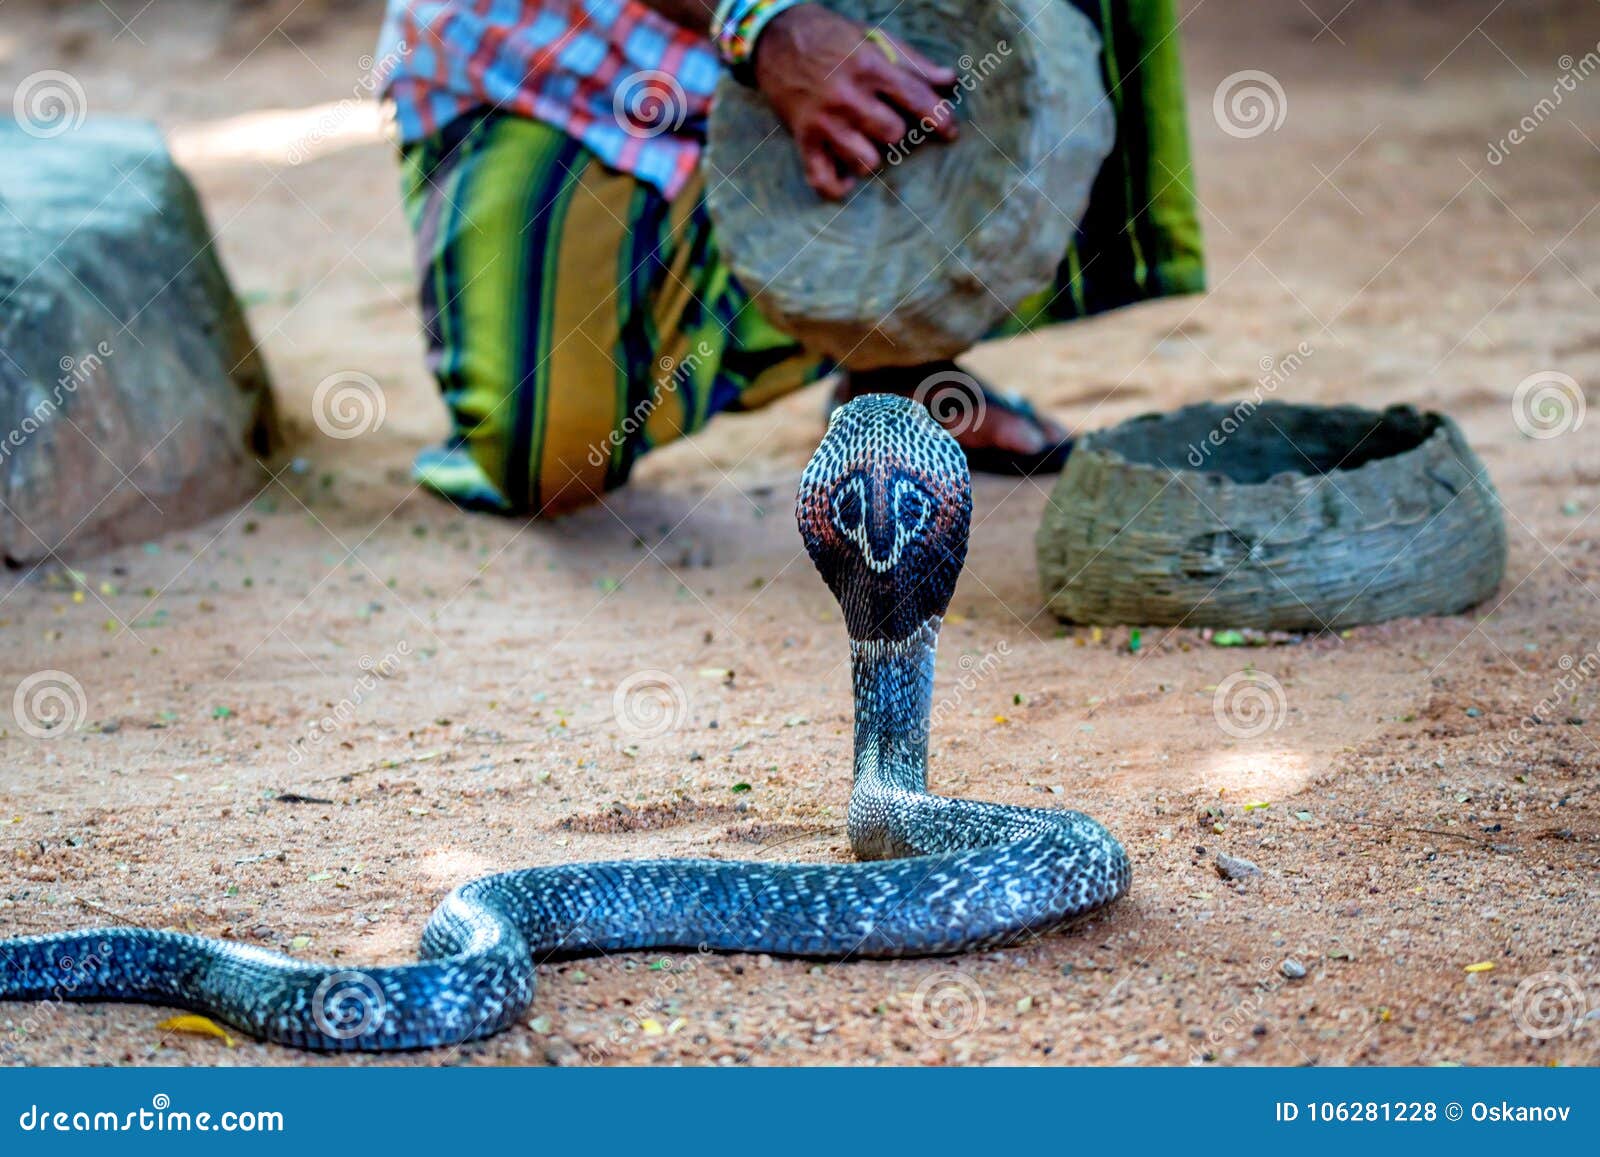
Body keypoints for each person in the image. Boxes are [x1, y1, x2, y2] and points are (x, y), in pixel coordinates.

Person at [376, 0, 1204, 517]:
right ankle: (839, 320)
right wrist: (761, 22)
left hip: (837, 33)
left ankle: (894, 353)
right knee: (550, 460)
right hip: (556, 59)